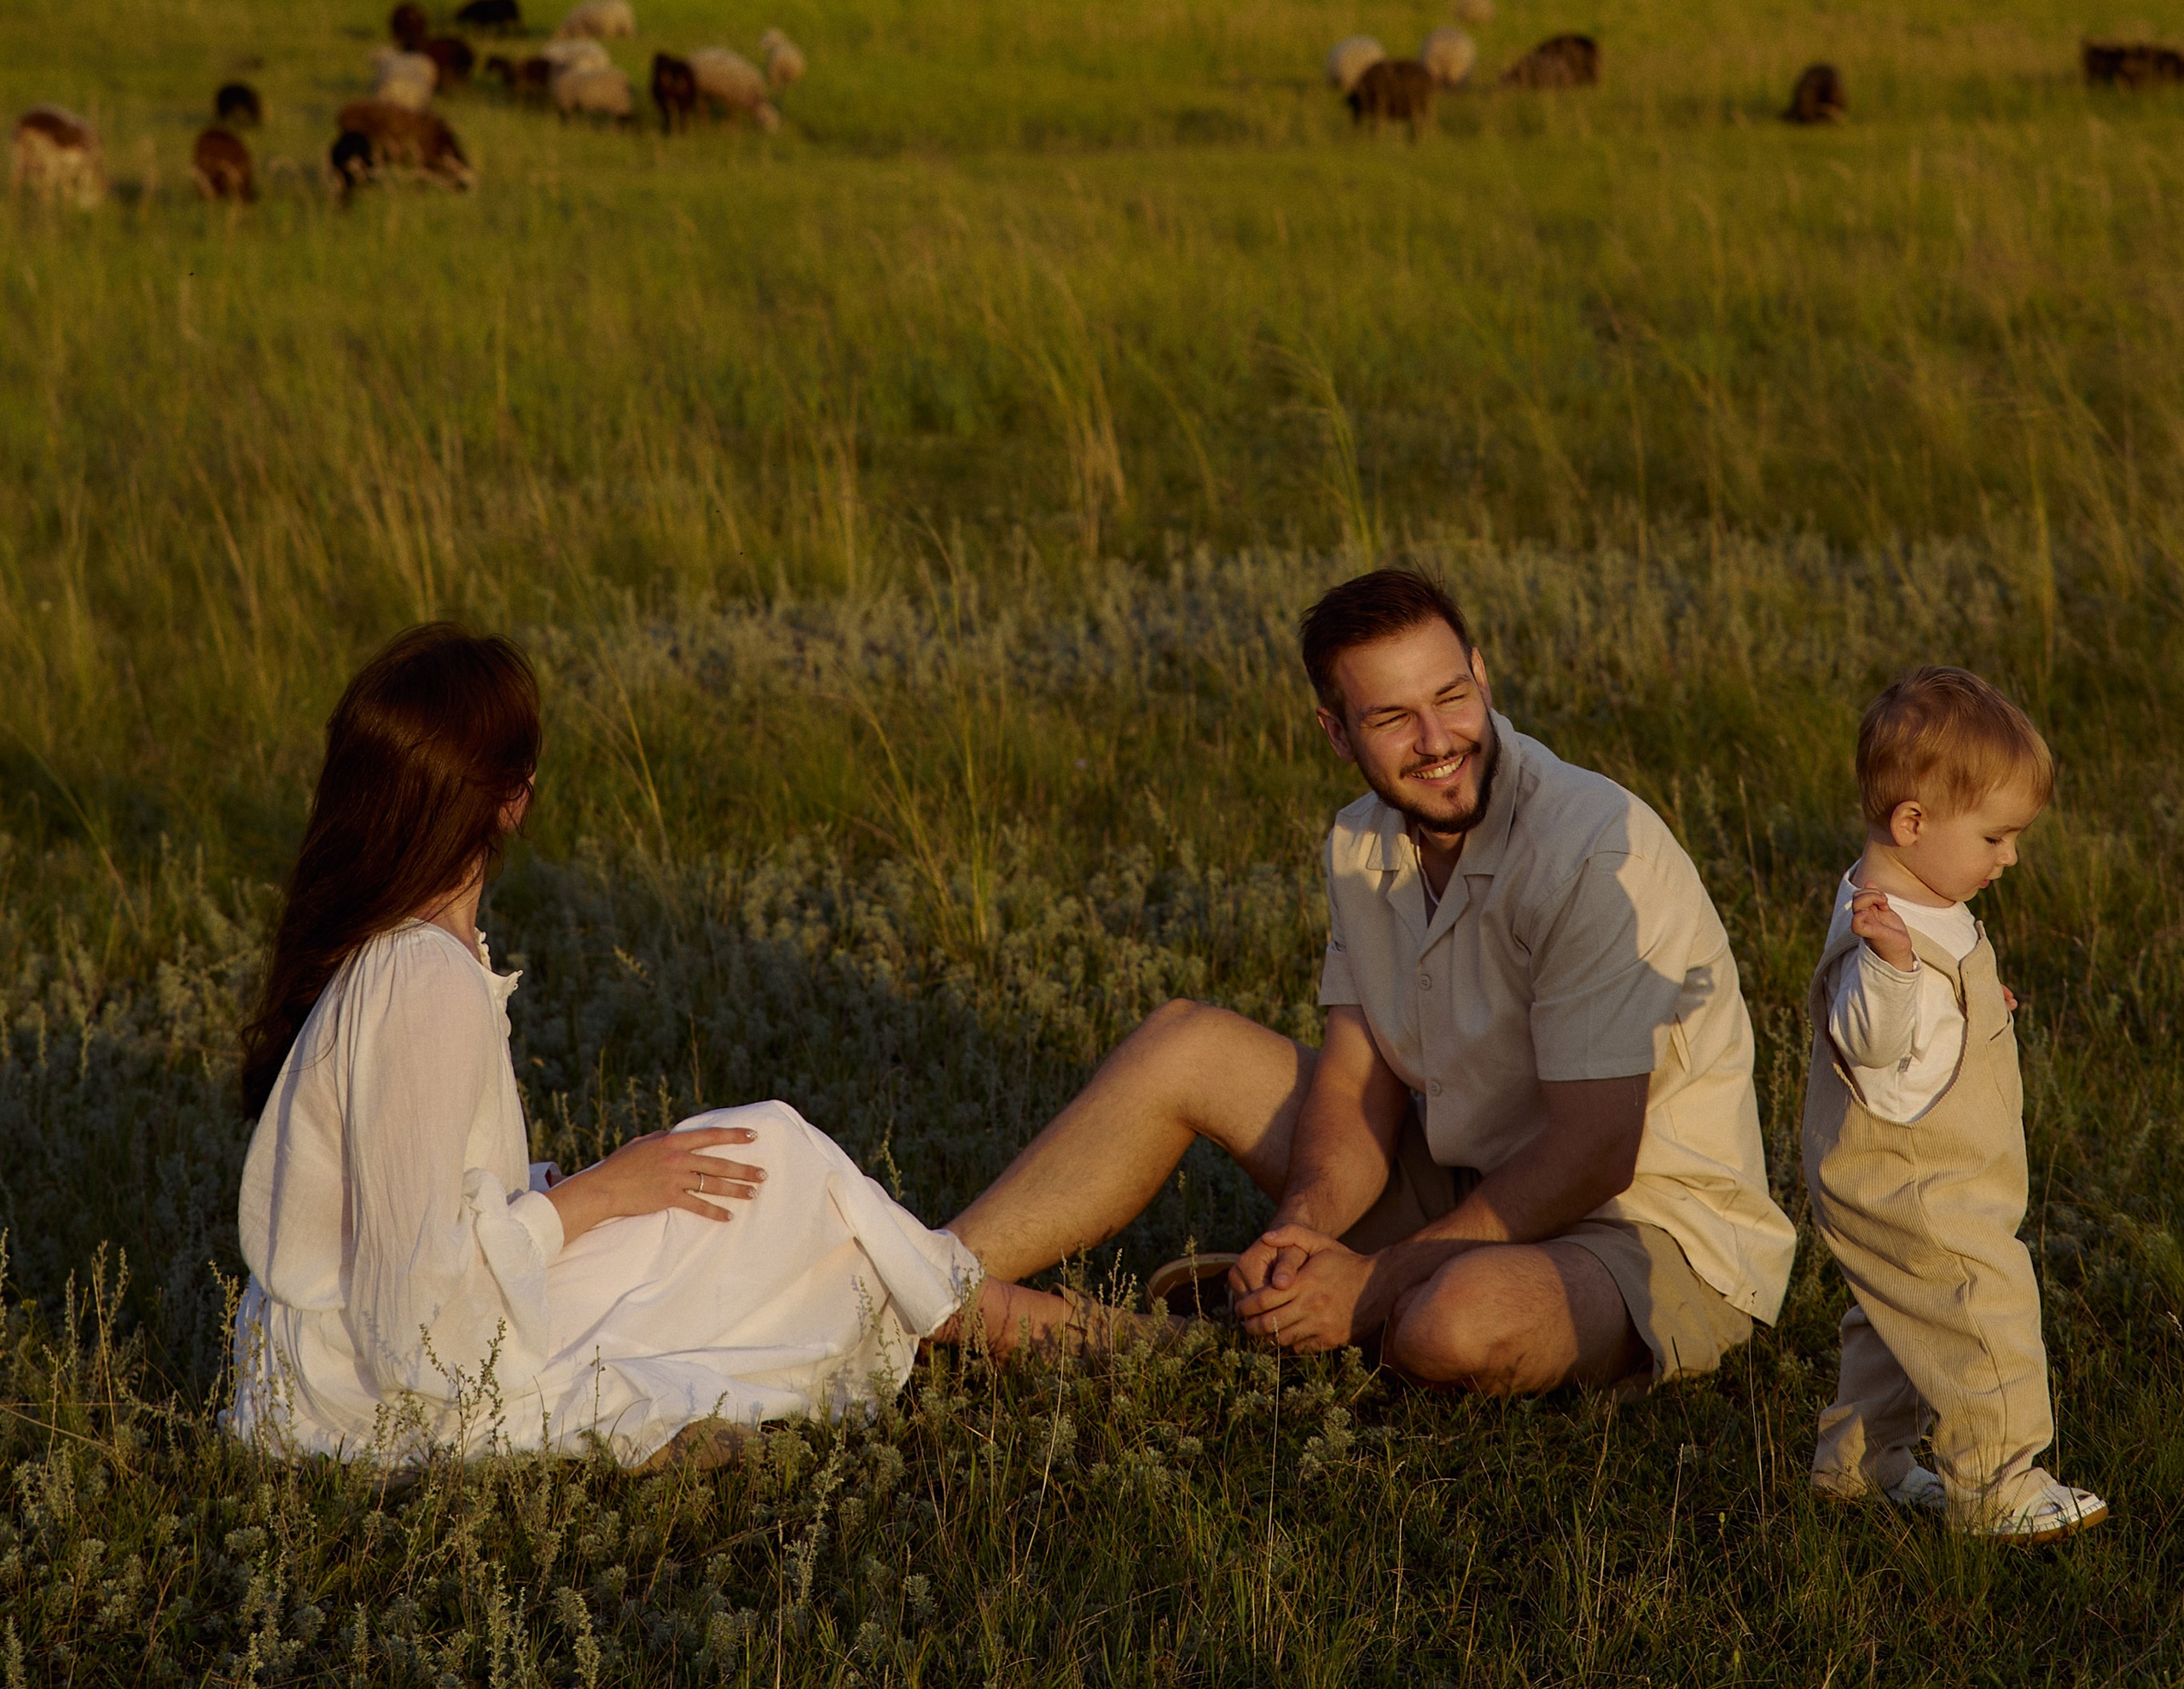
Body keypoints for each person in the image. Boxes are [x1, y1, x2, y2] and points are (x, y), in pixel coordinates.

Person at [230, 623, 1093, 1466]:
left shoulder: (412, 958)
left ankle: (1025, 1321)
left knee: (755, 1172)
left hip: (392, 1343)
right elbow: (414, 1314)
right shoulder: (421, 978)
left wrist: (547, 1195)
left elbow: (417, 1221)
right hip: (370, 1389)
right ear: (513, 798)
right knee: (777, 1163)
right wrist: (595, 1197)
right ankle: (1061, 1330)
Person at [955, 566, 1794, 1391]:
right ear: (1336, 731)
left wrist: (1372, 1279)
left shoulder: (1592, 851)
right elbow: (1358, 1084)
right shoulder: (1359, 840)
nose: (1436, 741)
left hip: (1643, 1228)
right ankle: (918, 1285)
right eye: (1392, 716)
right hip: (1462, 1176)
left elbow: (1594, 1151)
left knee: (1449, 1323)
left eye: (1451, 696)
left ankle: (1169, 1346)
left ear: (1481, 674)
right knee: (1185, 1041)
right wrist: (1301, 1229)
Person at [1803, 665, 2107, 1536]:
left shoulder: (1919, 895)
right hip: (1917, 1178)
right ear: (1913, 822)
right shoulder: (1883, 930)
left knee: (1903, 1313)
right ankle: (1999, 1484)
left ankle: (1862, 1464)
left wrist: (1972, 1002)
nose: (2008, 855)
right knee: (1980, 1307)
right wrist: (1895, 970)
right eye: (1996, 836)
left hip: (1886, 1170)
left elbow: (1930, 1004)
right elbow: (1867, 1036)